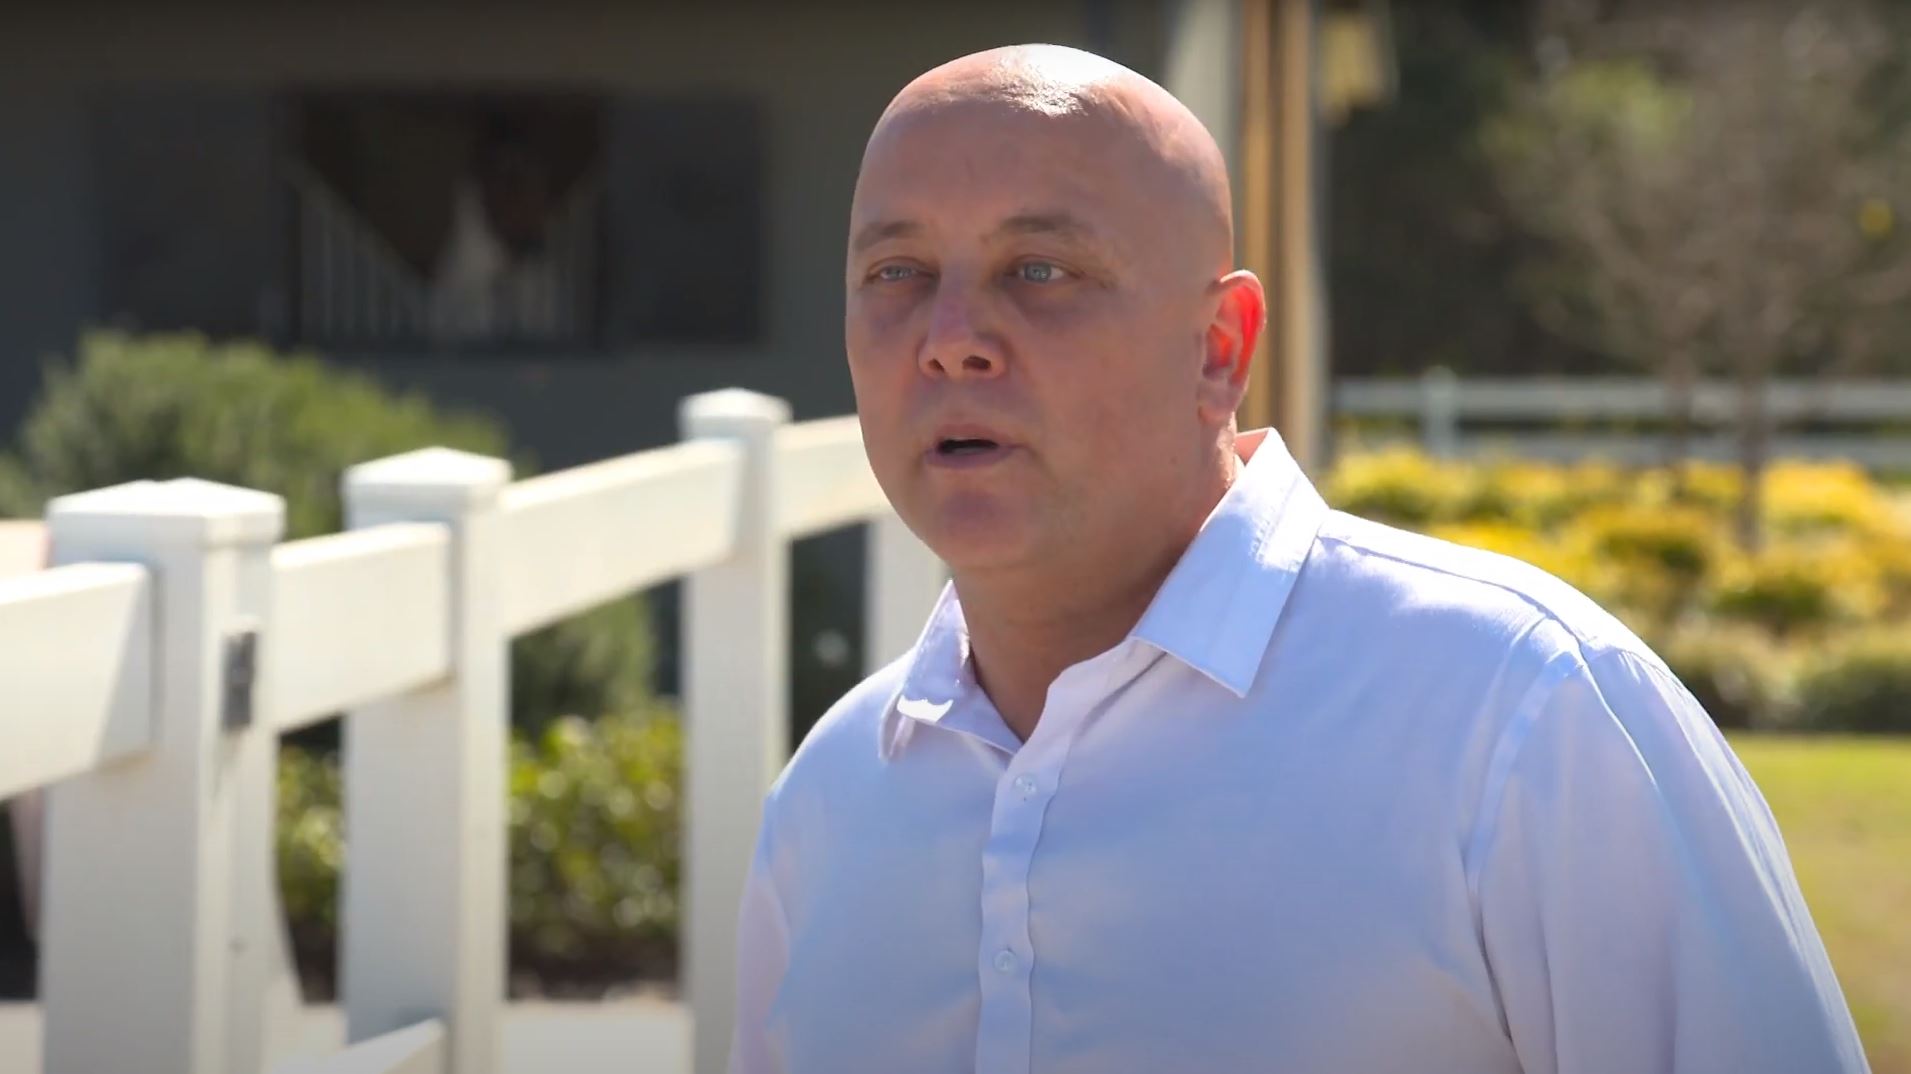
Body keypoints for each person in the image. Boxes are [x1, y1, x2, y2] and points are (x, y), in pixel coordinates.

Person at [727, 44, 1868, 1074]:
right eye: (897, 274)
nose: (951, 338)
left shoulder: (1523, 717)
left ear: (1219, 350)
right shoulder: (830, 803)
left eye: (1040, 270)